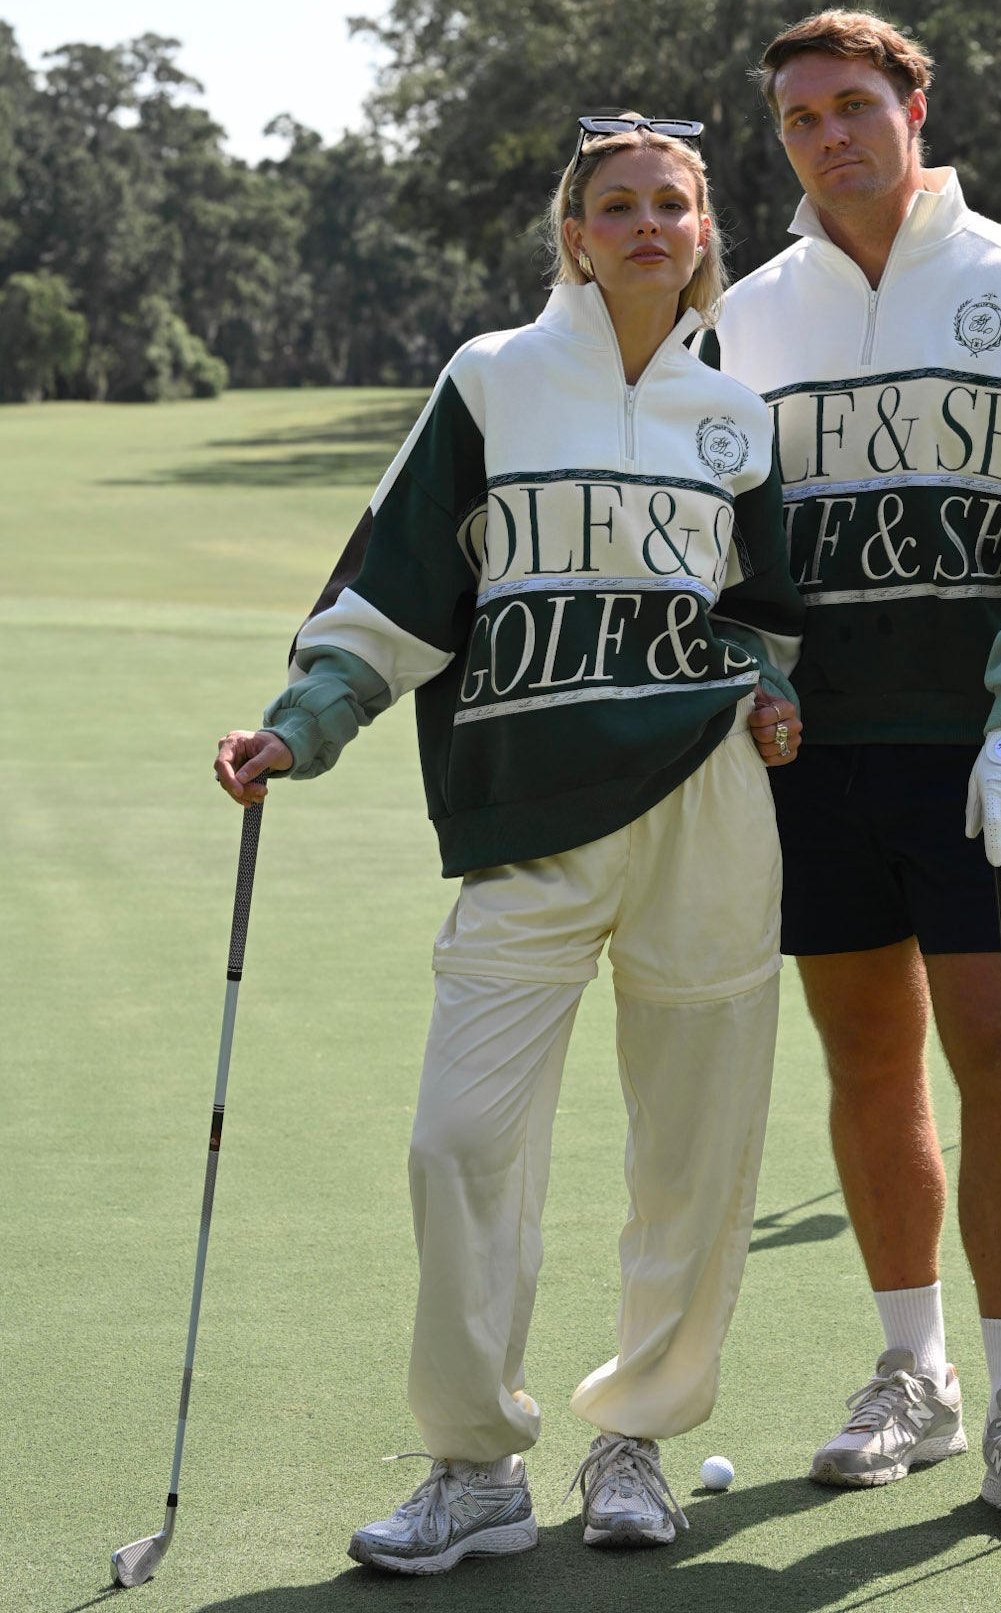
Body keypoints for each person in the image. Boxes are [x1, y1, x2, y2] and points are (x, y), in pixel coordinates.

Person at [214, 114, 804, 1573]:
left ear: (703, 233)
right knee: (460, 1141)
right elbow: (395, 587)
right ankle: (474, 1465)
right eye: (620, 205)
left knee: (695, 1149)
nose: (649, 224)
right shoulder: (491, 378)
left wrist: (768, 694)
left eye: (672, 204)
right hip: (526, 819)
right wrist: (305, 722)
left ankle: (635, 1442)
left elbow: (761, 617)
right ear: (575, 236)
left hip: (706, 809)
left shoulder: (737, 418)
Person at [700, 10, 1001, 1538]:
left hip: (986, 757)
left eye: (852, 105)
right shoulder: (744, 315)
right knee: (868, 1068)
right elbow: (718, 536)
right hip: (816, 759)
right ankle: (915, 1376)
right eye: (799, 117)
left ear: (913, 107)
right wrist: (749, 677)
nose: (828, 136)